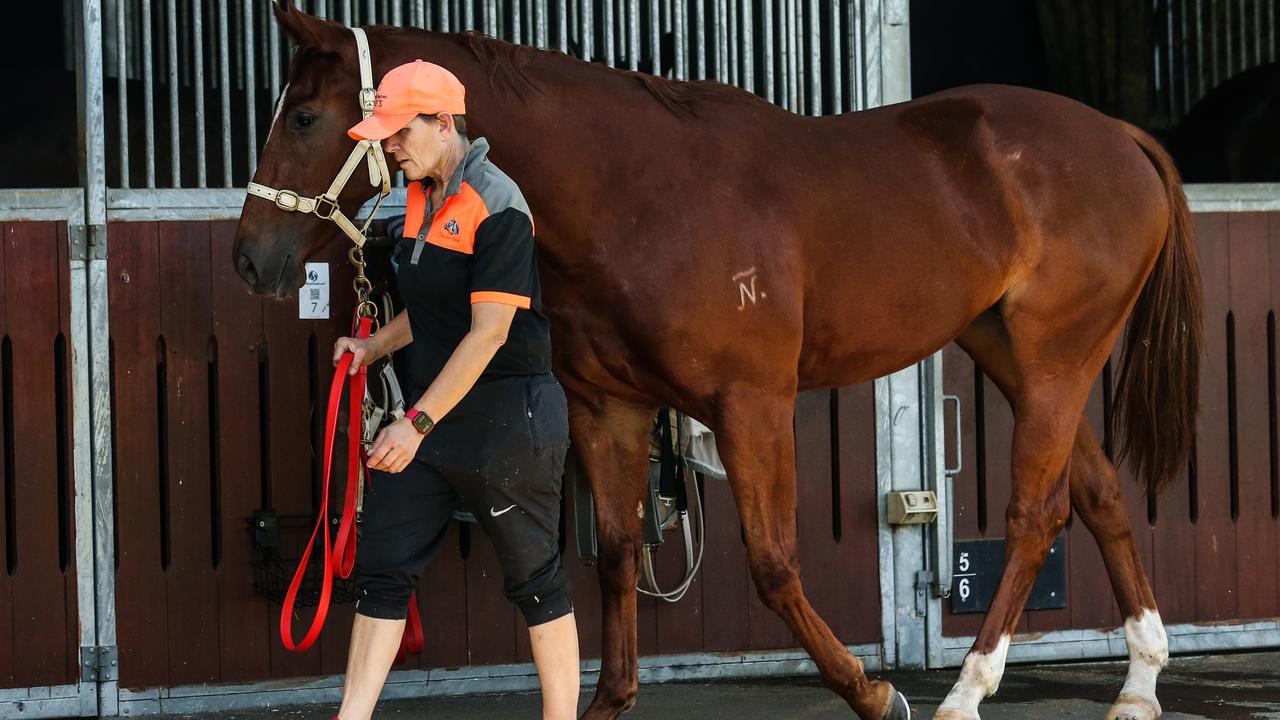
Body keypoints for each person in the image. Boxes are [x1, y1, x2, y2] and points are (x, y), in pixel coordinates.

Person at [331, 59, 579, 720]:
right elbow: (438, 308)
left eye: (398, 131)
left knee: (536, 580)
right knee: (383, 570)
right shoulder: (418, 197)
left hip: (505, 419)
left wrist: (412, 425)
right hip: (429, 419)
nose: (388, 146)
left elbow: (487, 331)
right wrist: (372, 347)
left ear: (443, 122)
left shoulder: (497, 203)